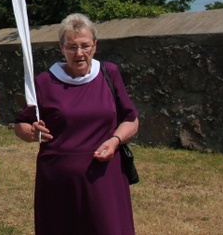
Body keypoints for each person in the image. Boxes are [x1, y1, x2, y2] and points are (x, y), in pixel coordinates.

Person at [14, 13, 139, 235]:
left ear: (95, 46)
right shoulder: (44, 82)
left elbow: (130, 119)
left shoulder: (109, 73)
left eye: (85, 46)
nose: (79, 53)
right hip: (58, 183)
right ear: (61, 48)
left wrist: (115, 141)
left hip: (104, 180)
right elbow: (21, 125)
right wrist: (31, 131)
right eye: (71, 47)